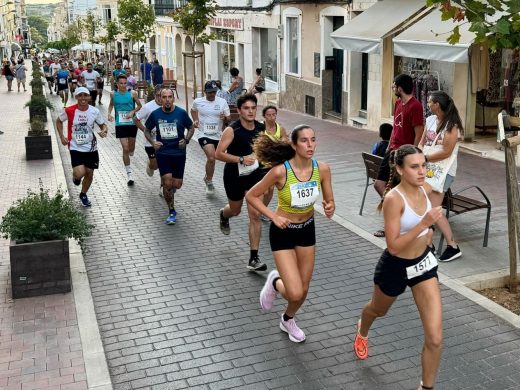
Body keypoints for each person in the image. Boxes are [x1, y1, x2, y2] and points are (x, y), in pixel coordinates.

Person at [354, 144, 443, 390]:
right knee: (377, 310)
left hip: (424, 265)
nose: (422, 171)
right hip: (396, 266)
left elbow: (434, 214)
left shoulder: (426, 188)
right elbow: (393, 247)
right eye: (415, 167)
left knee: (435, 338)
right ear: (400, 170)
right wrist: (423, 224)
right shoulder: (394, 198)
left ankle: (426, 387)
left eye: (424, 165)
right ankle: (362, 329)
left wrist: (430, 230)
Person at [246, 125, 334, 343]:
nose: (310, 145)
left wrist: (330, 206)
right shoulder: (280, 171)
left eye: (313, 140)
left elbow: (329, 200)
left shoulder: (322, 169)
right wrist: (273, 216)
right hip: (283, 232)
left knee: (302, 291)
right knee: (294, 292)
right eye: (304, 141)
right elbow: (252, 196)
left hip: (306, 230)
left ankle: (287, 319)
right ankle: (275, 282)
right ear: (294, 145)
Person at [215, 94, 267, 271]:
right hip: (234, 176)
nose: (250, 111)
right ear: (239, 110)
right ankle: (224, 214)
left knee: (255, 215)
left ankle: (254, 258)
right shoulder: (232, 130)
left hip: (255, 176)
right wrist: (240, 159)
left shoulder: (261, 128)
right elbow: (219, 154)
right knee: (235, 210)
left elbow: (264, 150)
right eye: (246, 108)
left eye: (253, 108)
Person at [373, 74, 424, 237]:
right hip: (392, 151)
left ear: (400, 88)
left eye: (394, 86)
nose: (393, 88)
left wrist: (413, 156)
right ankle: (399, 213)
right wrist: (388, 148)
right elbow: (395, 127)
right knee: (379, 184)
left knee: (396, 188)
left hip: (404, 154)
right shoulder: (398, 103)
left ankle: (394, 224)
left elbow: (418, 132)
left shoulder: (415, 106)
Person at [419, 91, 463, 262]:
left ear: (437, 104)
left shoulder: (452, 125)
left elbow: (446, 152)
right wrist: (419, 154)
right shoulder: (430, 120)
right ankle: (429, 244)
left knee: (433, 210)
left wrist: (424, 157)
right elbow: (422, 142)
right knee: (427, 206)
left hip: (444, 172)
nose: (428, 104)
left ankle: (452, 246)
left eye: (430, 101)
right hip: (428, 168)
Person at [144, 88, 194, 224]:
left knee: (176, 184)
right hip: (163, 153)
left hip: (179, 153)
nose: (167, 100)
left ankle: (170, 190)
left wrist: (187, 140)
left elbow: (191, 127)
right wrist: (153, 142)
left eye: (169, 97)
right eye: (164, 97)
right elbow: (147, 130)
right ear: (160, 98)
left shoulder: (181, 113)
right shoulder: (155, 114)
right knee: (167, 182)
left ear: (173, 98)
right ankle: (171, 211)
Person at [56, 87, 109, 207]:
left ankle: (83, 194)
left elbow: (103, 125)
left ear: (89, 97)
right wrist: (61, 136)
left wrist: (104, 131)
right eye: (80, 96)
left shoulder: (94, 111)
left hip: (91, 148)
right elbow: (58, 121)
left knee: (89, 173)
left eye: (86, 95)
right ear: (76, 97)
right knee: (80, 173)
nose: (83, 98)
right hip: (76, 147)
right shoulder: (69, 110)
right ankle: (77, 177)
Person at [191, 80, 231, 195]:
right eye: (209, 92)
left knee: (214, 159)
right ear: (205, 92)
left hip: (218, 135)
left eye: (214, 92)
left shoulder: (222, 102)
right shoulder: (198, 101)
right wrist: (195, 120)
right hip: (204, 134)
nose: (212, 94)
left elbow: (229, 118)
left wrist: (225, 118)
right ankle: (209, 182)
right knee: (212, 158)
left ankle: (207, 177)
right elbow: (193, 110)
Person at [108, 74, 142, 186]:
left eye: (125, 83)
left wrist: (133, 111)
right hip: (120, 124)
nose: (123, 85)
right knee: (125, 148)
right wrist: (109, 114)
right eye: (121, 83)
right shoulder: (113, 94)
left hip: (132, 123)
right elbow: (111, 105)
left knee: (131, 149)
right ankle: (129, 174)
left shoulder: (132, 93)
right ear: (117, 84)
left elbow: (139, 105)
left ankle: (132, 150)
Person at [261, 105, 288, 219]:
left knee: (270, 190)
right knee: (264, 190)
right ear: (264, 116)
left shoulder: (280, 129)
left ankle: (262, 211)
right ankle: (258, 209)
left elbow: (285, 144)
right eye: (269, 115)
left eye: (274, 114)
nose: (272, 117)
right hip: (260, 163)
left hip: (274, 163)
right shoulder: (260, 127)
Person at [134, 84, 163, 179]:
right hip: (150, 141)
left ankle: (163, 187)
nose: (160, 98)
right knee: (155, 166)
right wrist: (145, 130)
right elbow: (136, 119)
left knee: (165, 164)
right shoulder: (147, 107)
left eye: (162, 95)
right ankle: (150, 164)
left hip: (165, 140)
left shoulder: (169, 106)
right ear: (154, 95)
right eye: (158, 95)